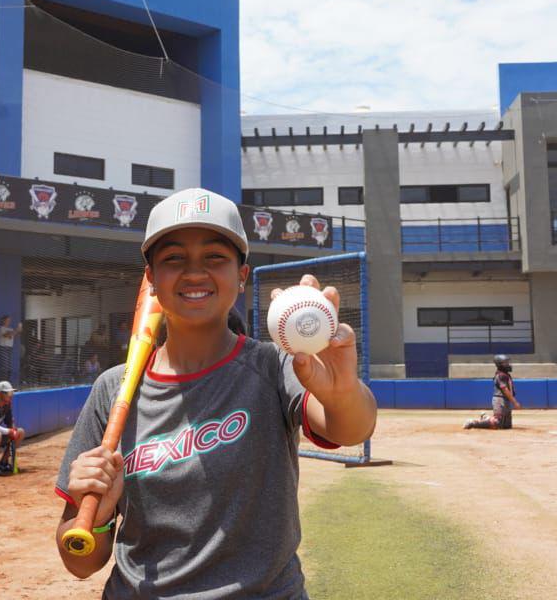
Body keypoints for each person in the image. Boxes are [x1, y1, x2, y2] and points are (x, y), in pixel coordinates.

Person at [54, 187, 378, 596]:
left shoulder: (274, 366)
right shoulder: (113, 388)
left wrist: (342, 390)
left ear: (241, 277)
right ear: (151, 279)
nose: (194, 272)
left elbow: (352, 429)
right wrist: (97, 516)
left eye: (214, 258)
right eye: (173, 259)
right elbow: (79, 562)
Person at [464, 355, 522, 430]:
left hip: (506, 400)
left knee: (506, 426)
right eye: (505, 363)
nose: (508, 364)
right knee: (496, 423)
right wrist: (515, 402)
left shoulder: (506, 375)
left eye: (508, 362)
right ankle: (473, 423)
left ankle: (486, 417)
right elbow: (505, 390)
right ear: (500, 364)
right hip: (500, 400)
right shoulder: (501, 375)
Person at [0, 314, 16, 380]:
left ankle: (7, 380)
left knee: (8, 365)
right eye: (7, 320)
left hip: (9, 348)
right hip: (3, 348)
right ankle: (3, 380)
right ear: (3, 321)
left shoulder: (11, 329)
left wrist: (18, 330)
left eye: (9, 320)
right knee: (4, 365)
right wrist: (16, 330)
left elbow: (12, 335)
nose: (8, 321)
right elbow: (6, 335)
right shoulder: (1, 328)